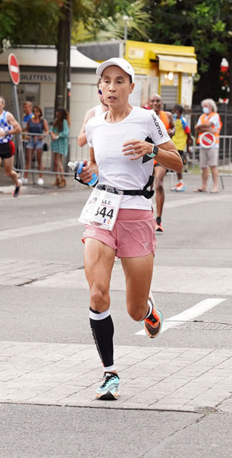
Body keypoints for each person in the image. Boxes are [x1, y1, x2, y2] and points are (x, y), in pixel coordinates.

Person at [78, 57, 182, 400]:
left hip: (137, 213)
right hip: (102, 211)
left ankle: (148, 310)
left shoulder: (147, 119)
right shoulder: (94, 123)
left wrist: (152, 149)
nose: (111, 87)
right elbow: (96, 169)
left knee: (133, 310)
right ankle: (109, 372)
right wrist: (86, 175)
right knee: (97, 292)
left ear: (131, 87)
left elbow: (178, 162)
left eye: (119, 81)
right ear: (100, 87)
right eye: (106, 81)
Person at [150, 94, 175, 232]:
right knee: (147, 187)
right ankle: (147, 216)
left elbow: (173, 128)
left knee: (158, 183)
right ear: (149, 103)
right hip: (148, 155)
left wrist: (171, 132)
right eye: (153, 101)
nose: (155, 103)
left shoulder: (168, 116)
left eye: (158, 101)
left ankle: (158, 220)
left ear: (161, 103)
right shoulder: (144, 116)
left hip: (161, 155)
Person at [195, 98, 222, 193]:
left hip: (213, 144)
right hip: (203, 144)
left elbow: (209, 124)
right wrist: (207, 129)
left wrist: (201, 127)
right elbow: (197, 128)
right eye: (203, 106)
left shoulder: (215, 116)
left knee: (213, 165)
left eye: (206, 106)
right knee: (203, 166)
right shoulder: (202, 116)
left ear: (211, 107)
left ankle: (215, 186)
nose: (204, 108)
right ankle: (204, 186)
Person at [78, 79, 108, 147]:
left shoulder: (122, 112)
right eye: (101, 92)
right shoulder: (92, 113)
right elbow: (80, 141)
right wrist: (96, 126)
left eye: (106, 91)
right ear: (98, 93)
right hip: (96, 152)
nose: (104, 95)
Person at [24, 105, 48, 185]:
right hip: (31, 139)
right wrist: (27, 135)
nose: (35, 113)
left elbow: (46, 130)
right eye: (34, 111)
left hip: (39, 140)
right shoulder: (30, 120)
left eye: (37, 111)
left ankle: (40, 177)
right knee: (28, 159)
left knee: (39, 159)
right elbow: (26, 129)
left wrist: (42, 136)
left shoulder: (42, 121)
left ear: (40, 113)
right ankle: (25, 177)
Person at [170, 104, 191, 192]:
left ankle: (181, 182)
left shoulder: (183, 121)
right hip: (173, 144)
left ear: (179, 112)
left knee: (177, 164)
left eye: (174, 111)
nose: (173, 112)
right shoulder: (174, 120)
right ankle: (179, 182)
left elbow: (188, 134)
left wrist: (188, 147)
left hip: (180, 145)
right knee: (174, 164)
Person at [49, 107, 70, 187]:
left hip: (60, 143)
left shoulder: (64, 122)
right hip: (55, 143)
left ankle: (63, 179)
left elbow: (66, 133)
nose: (56, 113)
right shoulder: (56, 120)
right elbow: (51, 129)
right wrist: (51, 133)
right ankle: (57, 178)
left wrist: (57, 135)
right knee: (55, 161)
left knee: (58, 161)